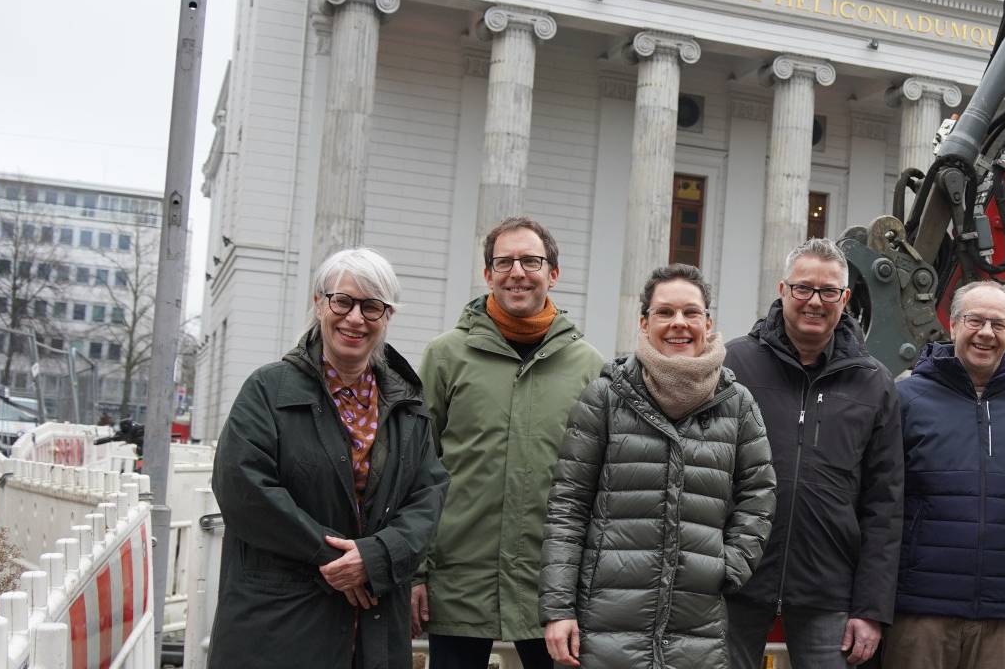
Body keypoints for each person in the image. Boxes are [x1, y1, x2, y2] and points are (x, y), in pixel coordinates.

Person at [209, 248, 448, 669]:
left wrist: (374, 558)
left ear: (387, 316)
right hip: (280, 622)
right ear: (319, 304)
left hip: (372, 626)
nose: (355, 318)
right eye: (343, 301)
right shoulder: (268, 390)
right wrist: (337, 558)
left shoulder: (407, 404)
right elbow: (243, 487)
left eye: (372, 306)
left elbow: (428, 496)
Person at [539, 264, 776, 668]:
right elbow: (568, 507)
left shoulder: (736, 404)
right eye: (665, 312)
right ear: (645, 322)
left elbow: (759, 494)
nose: (678, 324)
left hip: (697, 620)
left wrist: (729, 565)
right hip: (607, 618)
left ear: (708, 322)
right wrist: (559, 609)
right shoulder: (605, 397)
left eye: (691, 312)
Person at [414, 217, 606, 669]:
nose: (517, 271)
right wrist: (414, 572)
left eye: (531, 260)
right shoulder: (445, 356)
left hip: (549, 588)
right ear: (488, 274)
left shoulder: (589, 365)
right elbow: (417, 467)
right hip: (457, 580)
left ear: (553, 273)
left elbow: (601, 482)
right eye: (504, 261)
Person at [724, 238, 903, 669]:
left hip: (828, 589)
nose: (814, 302)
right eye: (803, 288)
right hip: (735, 579)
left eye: (828, 292)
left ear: (845, 299)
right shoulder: (734, 365)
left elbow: (885, 504)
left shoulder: (874, 383)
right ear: (783, 290)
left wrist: (871, 609)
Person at [887, 281, 1005, 669]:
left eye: (999, 324)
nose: (987, 333)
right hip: (920, 612)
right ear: (952, 326)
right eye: (975, 320)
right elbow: (879, 506)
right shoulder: (906, 401)